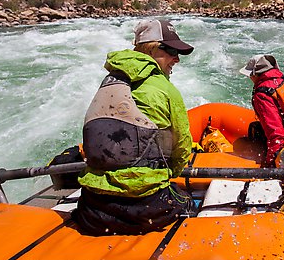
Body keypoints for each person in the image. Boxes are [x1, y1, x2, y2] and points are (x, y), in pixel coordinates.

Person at [74, 19, 195, 236]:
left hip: (92, 208)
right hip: (145, 208)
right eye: (170, 50)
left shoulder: (110, 80)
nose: (176, 59)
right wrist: (170, 173)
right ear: (151, 48)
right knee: (187, 202)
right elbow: (182, 146)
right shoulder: (166, 89)